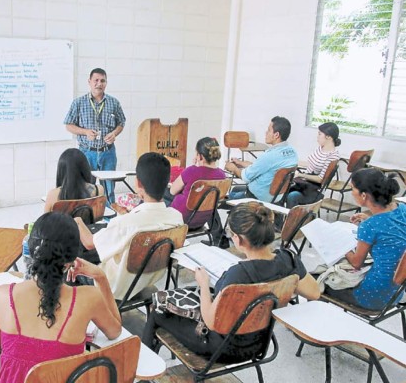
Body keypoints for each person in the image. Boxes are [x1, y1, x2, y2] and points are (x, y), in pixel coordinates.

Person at [142, 202, 320, 361]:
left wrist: (204, 284)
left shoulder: (238, 275)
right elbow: (314, 292)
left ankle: (144, 371)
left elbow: (211, 322)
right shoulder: (288, 260)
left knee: (158, 310)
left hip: (222, 348)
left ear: (239, 239)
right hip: (259, 343)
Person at [0, 212, 122, 382]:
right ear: (72, 258)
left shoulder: (2, 296)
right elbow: (115, 331)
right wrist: (101, 277)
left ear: (32, 249)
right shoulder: (88, 298)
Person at [75, 152, 184, 300]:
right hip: (146, 280)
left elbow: (89, 243)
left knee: (73, 254)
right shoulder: (176, 217)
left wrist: (77, 221)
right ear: (167, 183)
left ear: (138, 184)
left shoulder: (125, 223)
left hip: (114, 286)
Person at [324, 168, 406, 310]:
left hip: (372, 296)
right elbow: (391, 229)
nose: (351, 192)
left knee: (318, 281)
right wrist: (370, 219)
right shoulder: (403, 209)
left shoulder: (369, 226)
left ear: (363, 195)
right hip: (397, 292)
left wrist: (341, 245)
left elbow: (357, 263)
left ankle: (308, 330)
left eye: (352, 189)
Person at [64, 68, 126, 204]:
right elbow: (68, 125)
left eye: (102, 81)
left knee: (109, 189)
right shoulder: (78, 103)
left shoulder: (113, 103)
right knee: (86, 188)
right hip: (87, 152)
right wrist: (85, 132)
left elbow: (121, 122)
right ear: (89, 82)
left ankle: (110, 217)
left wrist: (114, 133)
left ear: (106, 83)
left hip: (108, 152)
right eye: (96, 80)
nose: (99, 83)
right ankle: (88, 215)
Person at [163, 137, 226, 242]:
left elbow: (172, 191)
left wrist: (194, 167)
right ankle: (219, 237)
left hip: (181, 219)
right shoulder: (222, 176)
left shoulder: (191, 171)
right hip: (202, 219)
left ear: (200, 156)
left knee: (163, 191)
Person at [225, 116, 298, 202]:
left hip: (257, 198)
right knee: (236, 189)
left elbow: (245, 177)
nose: (266, 133)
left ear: (276, 135)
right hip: (277, 197)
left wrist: (233, 168)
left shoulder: (270, 156)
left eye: (269, 130)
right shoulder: (293, 152)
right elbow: (265, 167)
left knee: (226, 198)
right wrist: (240, 163)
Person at [287, 122, 341, 208]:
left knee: (291, 195)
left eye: (320, 134)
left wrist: (301, 174)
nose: (317, 136)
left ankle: (291, 219)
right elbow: (310, 165)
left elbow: (320, 179)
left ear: (328, 137)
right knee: (280, 187)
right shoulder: (320, 148)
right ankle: (279, 218)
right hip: (304, 183)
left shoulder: (333, 156)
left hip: (313, 190)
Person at [44, 148, 105, 213]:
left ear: (61, 170)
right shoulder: (99, 190)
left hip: (63, 223)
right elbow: (98, 217)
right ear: (85, 167)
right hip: (86, 223)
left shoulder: (53, 195)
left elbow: (45, 221)